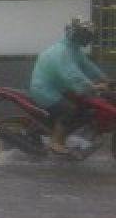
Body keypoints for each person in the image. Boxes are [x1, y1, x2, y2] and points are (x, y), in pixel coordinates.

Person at [29, 18, 109, 155]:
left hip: (59, 89)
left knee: (86, 106)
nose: (88, 38)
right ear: (77, 34)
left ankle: (68, 136)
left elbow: (89, 67)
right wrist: (93, 87)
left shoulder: (74, 50)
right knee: (69, 110)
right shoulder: (61, 52)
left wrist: (107, 80)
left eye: (89, 35)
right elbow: (72, 74)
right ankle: (56, 141)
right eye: (86, 35)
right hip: (44, 90)